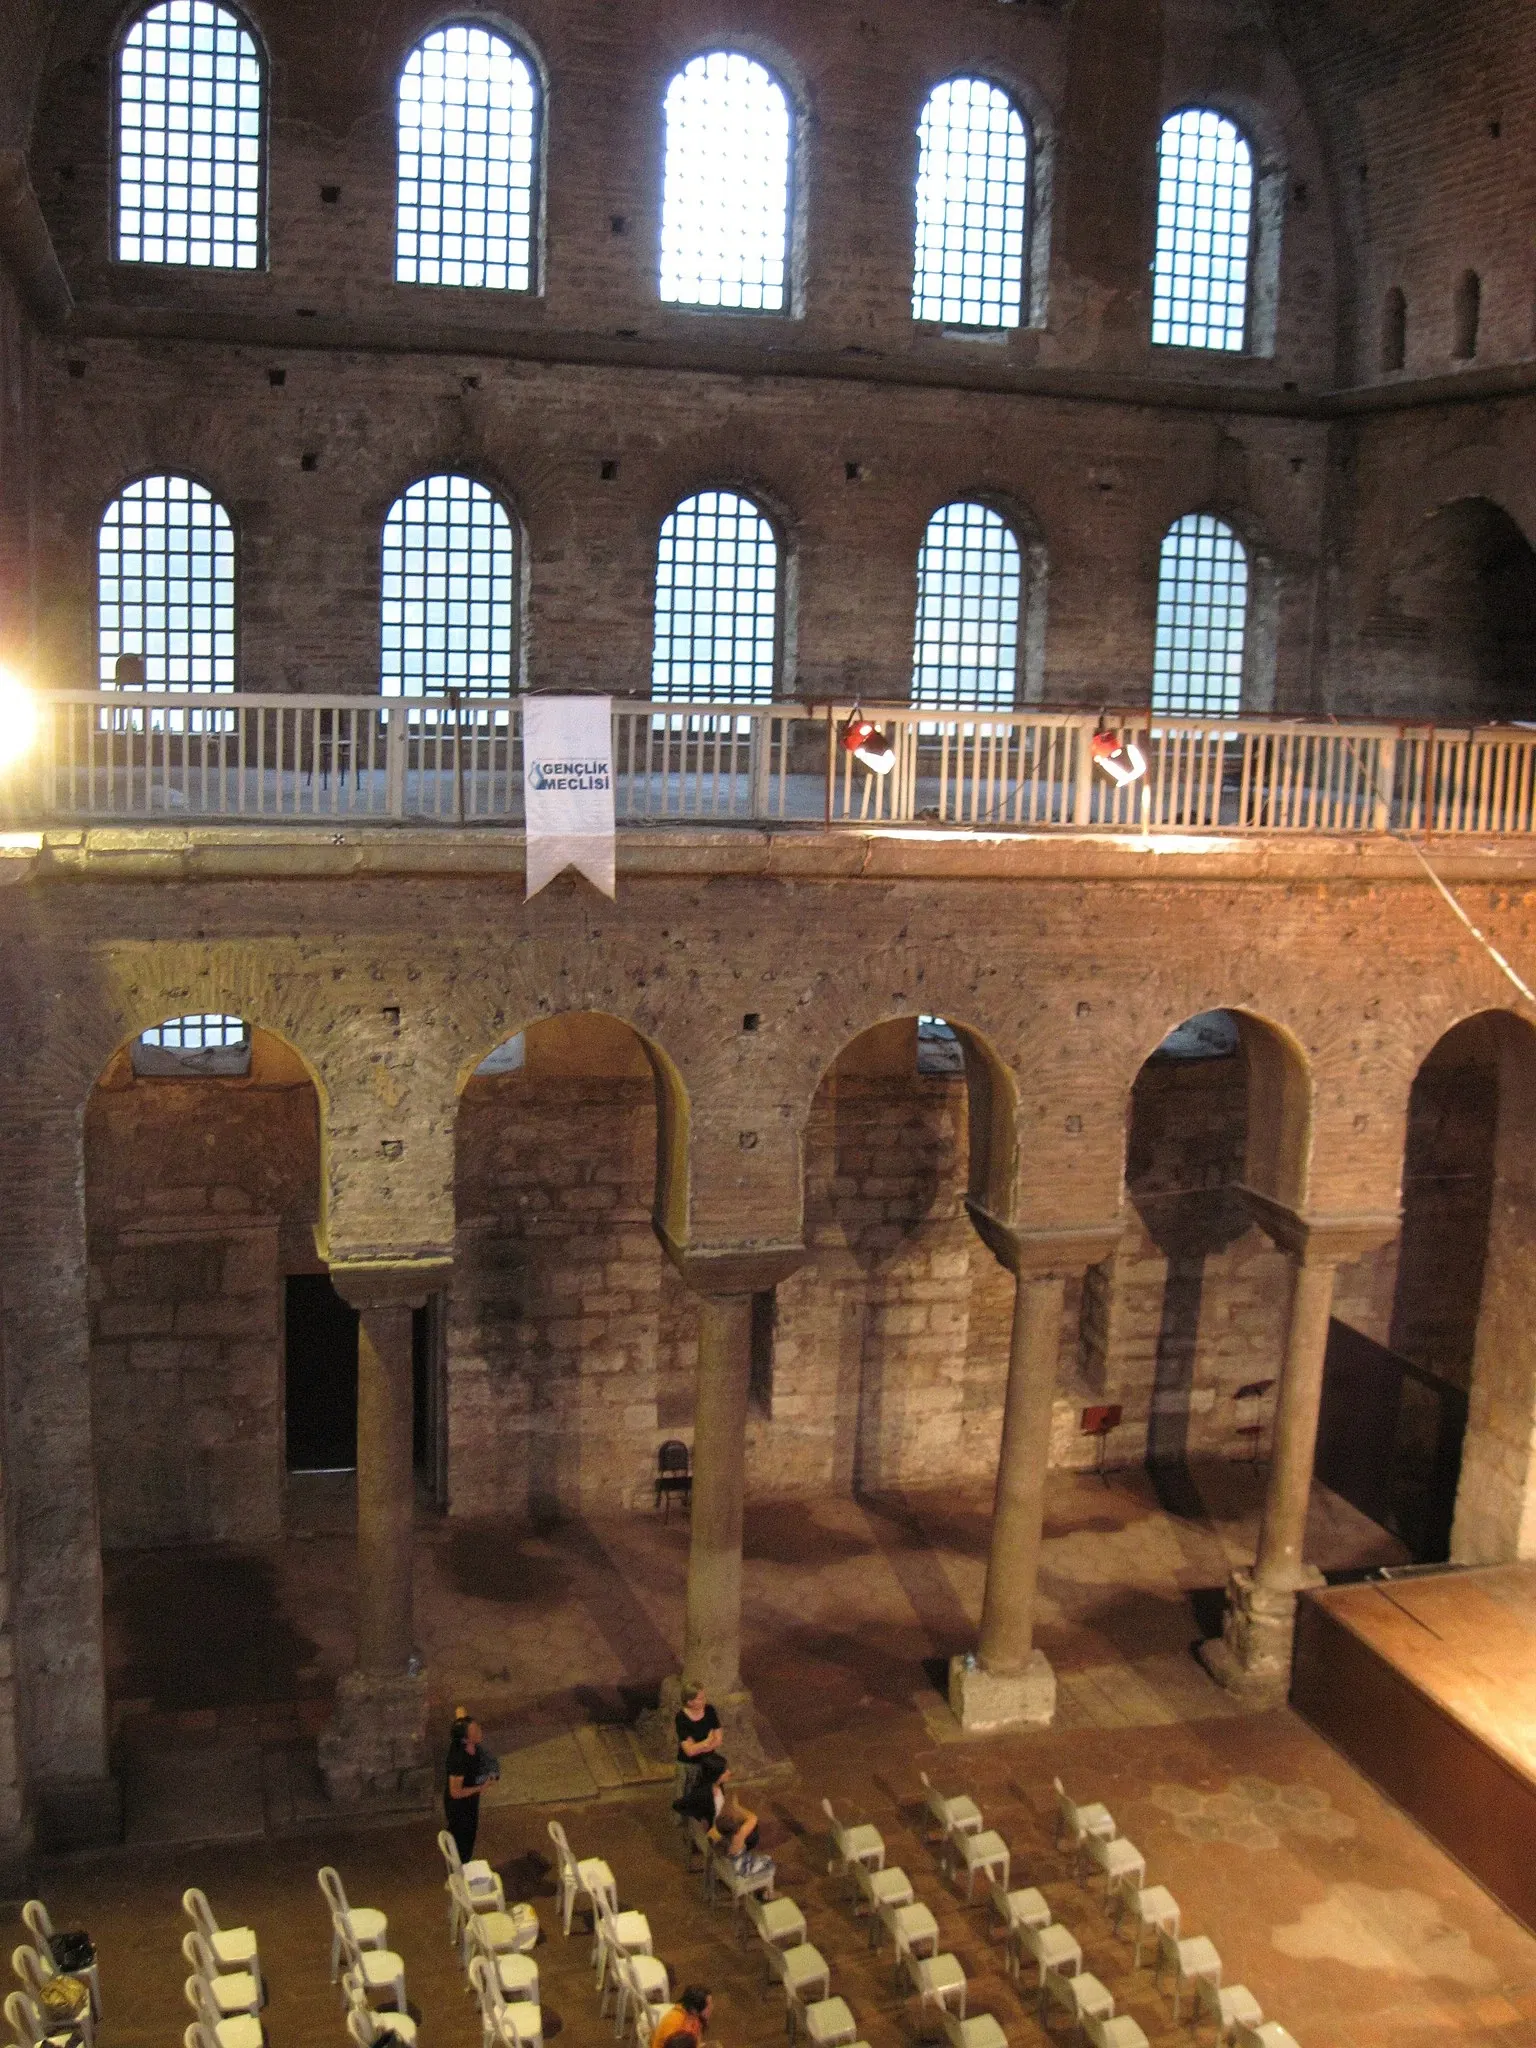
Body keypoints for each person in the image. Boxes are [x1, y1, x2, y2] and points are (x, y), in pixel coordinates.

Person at [443, 1707, 494, 1863]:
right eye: (474, 1731)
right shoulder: (458, 1760)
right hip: (460, 1805)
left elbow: (459, 1710)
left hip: (470, 1798)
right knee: (463, 1837)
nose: (479, 1731)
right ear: (465, 1739)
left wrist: (462, 1718)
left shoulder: (463, 1736)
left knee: (469, 1831)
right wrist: (481, 1787)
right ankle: (458, 1868)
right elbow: (455, 1792)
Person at [709, 1765, 773, 1879]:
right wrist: (736, 1807)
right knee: (769, 1862)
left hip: (726, 1864)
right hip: (738, 1870)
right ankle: (767, 1893)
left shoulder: (717, 1836)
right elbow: (752, 1818)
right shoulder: (738, 1836)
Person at [675, 1682, 722, 1763]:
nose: (705, 1700)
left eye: (704, 1697)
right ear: (690, 1702)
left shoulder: (709, 1710)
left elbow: (718, 1739)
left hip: (709, 1762)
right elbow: (689, 1751)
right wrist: (707, 1741)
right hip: (688, 1764)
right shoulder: (681, 1717)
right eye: (700, 1699)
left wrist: (698, 1747)